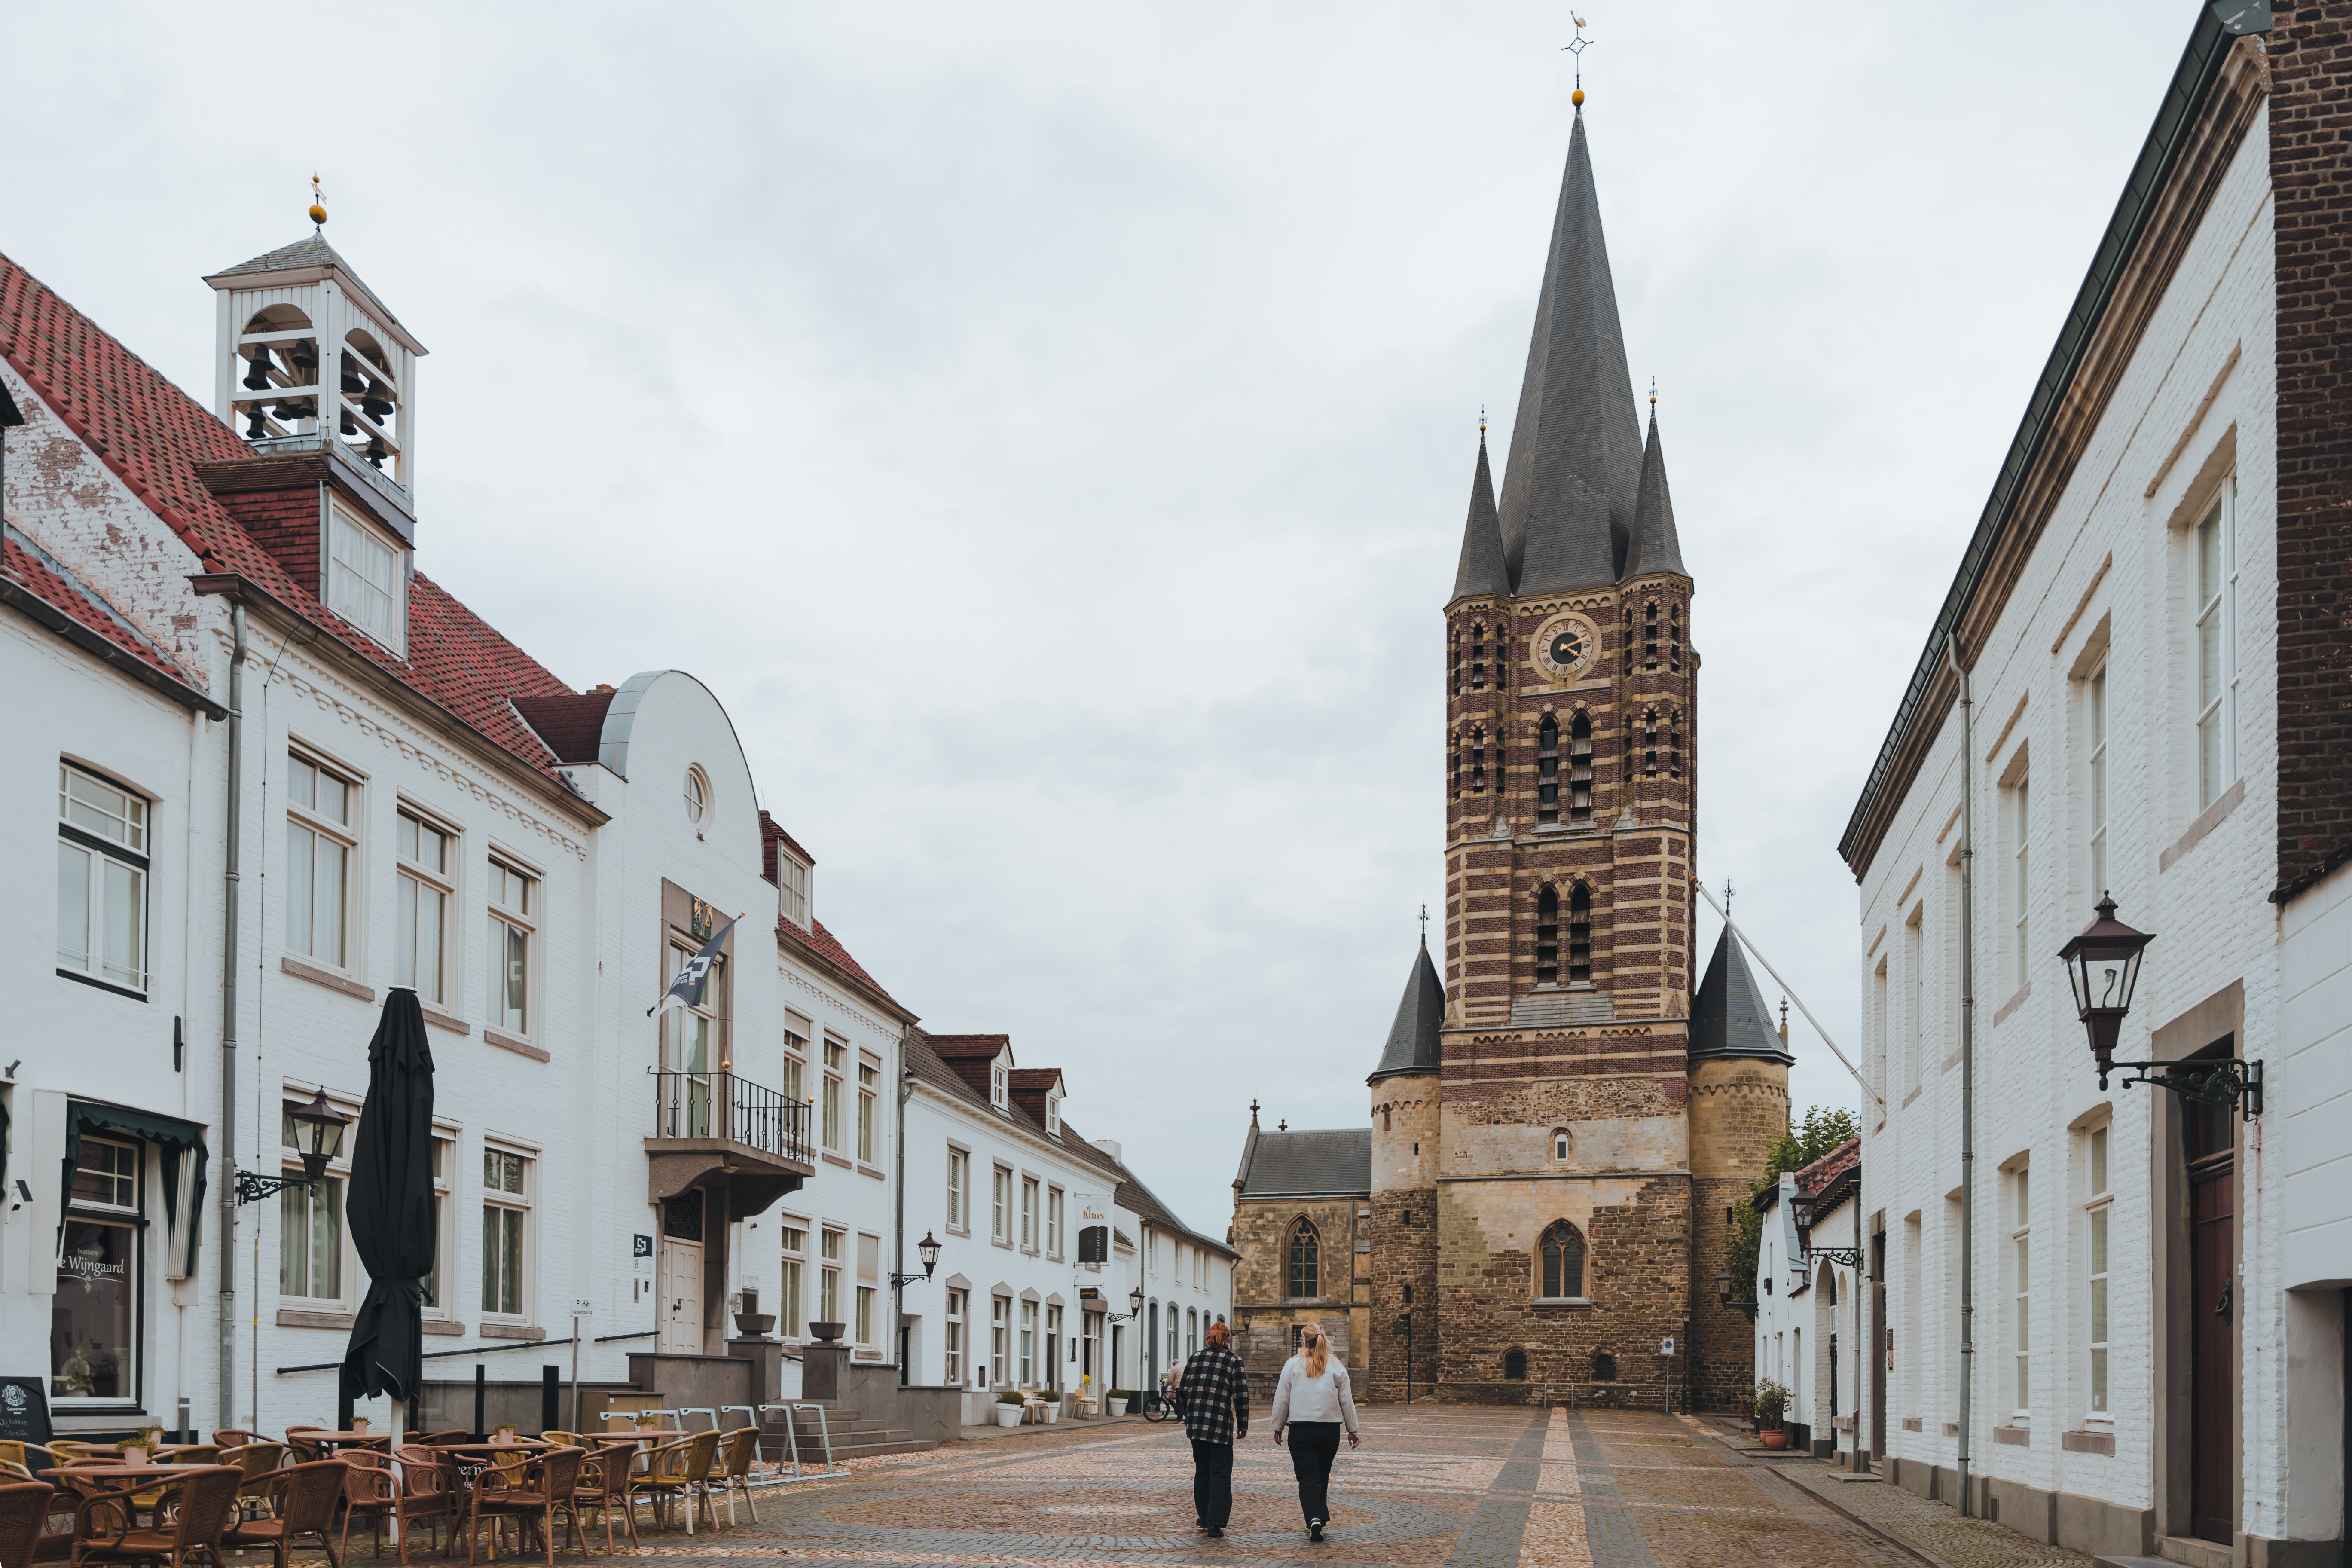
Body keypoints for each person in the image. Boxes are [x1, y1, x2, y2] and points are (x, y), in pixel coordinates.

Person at [1268, 1323, 1360, 1540]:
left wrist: (1278, 1426)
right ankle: (1320, 1516)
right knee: (1322, 1474)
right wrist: (1352, 1429)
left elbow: (1283, 1399)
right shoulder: (1337, 1366)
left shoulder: (1292, 1365)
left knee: (1308, 1477)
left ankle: (1313, 1518)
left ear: (1303, 1341)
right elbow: (1346, 1400)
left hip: (1301, 1430)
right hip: (1329, 1431)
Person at [1176, 1320, 1250, 1537]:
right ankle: (1215, 1523)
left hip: (1196, 1426)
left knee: (1202, 1470)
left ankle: (1205, 1517)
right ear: (1228, 1338)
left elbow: (1183, 1389)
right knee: (1220, 1473)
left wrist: (1192, 1409)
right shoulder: (1234, 1361)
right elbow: (1241, 1396)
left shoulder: (1195, 1358)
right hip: (1220, 1426)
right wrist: (1243, 1425)